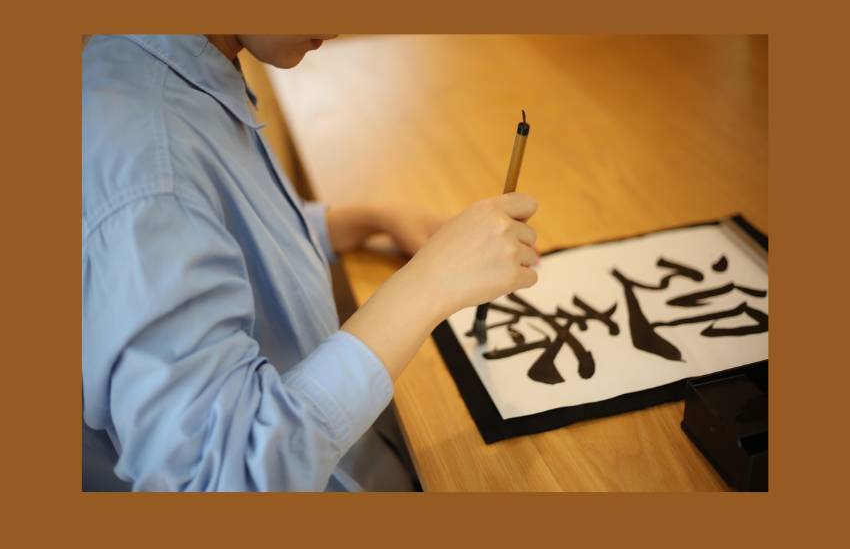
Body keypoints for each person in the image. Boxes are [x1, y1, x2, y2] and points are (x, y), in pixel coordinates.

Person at [82, 35, 539, 491]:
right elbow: (220, 478)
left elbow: (220, 236)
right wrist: (429, 284)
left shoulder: (179, 62)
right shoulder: (147, 170)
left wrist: (367, 221)